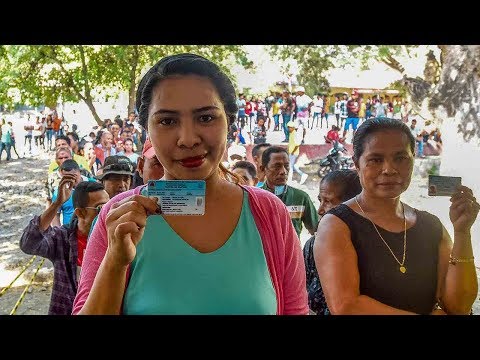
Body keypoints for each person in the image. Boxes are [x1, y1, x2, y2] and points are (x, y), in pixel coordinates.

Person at [72, 53, 308, 315]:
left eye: (206, 117)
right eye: (167, 121)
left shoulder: (270, 214)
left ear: (229, 121)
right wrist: (114, 263)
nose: (187, 139)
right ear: (146, 130)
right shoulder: (118, 218)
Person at [314, 118, 479, 315]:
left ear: (413, 159)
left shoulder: (431, 226)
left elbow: (458, 306)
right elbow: (346, 306)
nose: (389, 169)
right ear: (357, 164)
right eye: (376, 159)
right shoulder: (337, 225)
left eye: (400, 158)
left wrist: (462, 233)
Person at [19, 181, 109, 315]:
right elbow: (28, 244)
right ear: (80, 212)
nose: (107, 212)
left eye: (110, 206)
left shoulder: (113, 239)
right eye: (101, 208)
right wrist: (56, 204)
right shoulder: (62, 239)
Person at [303, 169, 362, 315]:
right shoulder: (313, 245)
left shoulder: (370, 247)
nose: (320, 210)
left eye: (328, 201)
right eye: (320, 200)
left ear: (354, 204)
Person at [260, 146, 318, 238]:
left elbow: (316, 231)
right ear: (263, 169)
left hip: (292, 252)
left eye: (286, 166)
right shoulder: (255, 198)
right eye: (277, 166)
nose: (283, 171)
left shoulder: (301, 198)